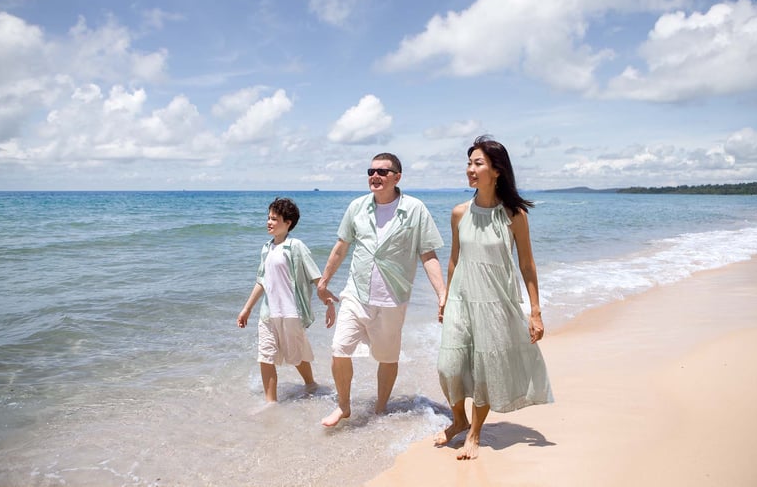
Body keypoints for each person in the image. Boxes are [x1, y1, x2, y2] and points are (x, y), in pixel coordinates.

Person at [435, 136, 553, 460]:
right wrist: (445, 297)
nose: (470, 169)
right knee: (449, 366)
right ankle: (458, 418)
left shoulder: (514, 215)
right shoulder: (459, 213)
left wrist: (536, 311)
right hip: (461, 298)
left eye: (477, 163)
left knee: (486, 367)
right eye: (469, 163)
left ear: (497, 170)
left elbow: (526, 264)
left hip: (496, 300)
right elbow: (454, 259)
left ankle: (474, 432)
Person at [316, 153, 446, 427]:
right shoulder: (357, 207)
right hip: (356, 293)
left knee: (387, 358)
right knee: (339, 349)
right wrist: (324, 280)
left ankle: (380, 407)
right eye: (371, 171)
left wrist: (442, 294)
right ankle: (344, 406)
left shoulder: (415, 209)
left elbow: (428, 254)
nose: (375, 176)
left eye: (382, 172)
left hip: (392, 298)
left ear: (397, 177)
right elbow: (341, 246)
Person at [237, 197, 335, 403]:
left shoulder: (296, 246)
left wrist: (328, 302)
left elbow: (316, 277)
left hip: (291, 312)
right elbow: (261, 281)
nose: (269, 222)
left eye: (274, 218)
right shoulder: (266, 248)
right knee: (266, 356)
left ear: (287, 222)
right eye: (268, 218)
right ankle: (270, 403)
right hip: (268, 313)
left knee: (296, 355)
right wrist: (247, 309)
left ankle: (310, 384)